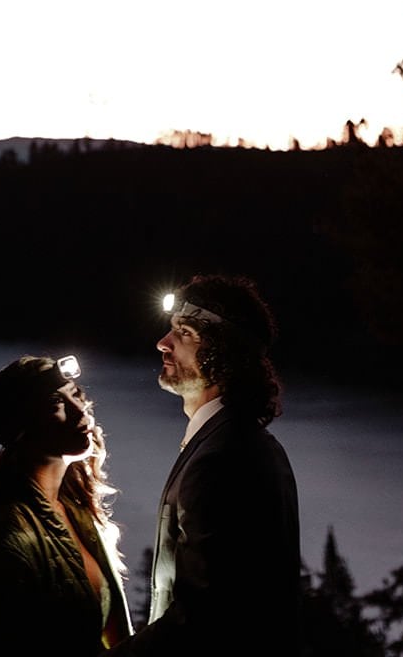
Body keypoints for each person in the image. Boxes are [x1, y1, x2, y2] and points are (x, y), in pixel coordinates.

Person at [126, 274, 301, 654]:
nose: (163, 343)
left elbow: (204, 617)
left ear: (223, 351)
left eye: (183, 332)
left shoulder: (221, 458)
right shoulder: (240, 442)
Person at [0, 353, 131, 655]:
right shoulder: (3, 536)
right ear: (21, 428)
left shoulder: (76, 511)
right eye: (55, 404)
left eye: (76, 394)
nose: (81, 412)